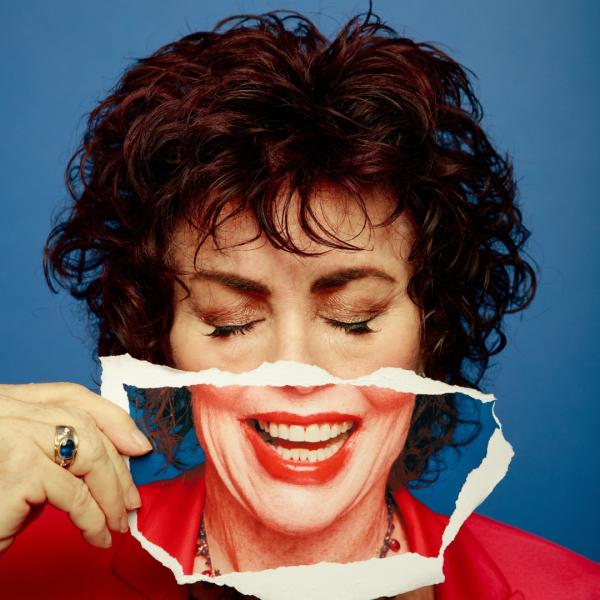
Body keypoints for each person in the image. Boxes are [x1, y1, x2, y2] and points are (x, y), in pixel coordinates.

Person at [0, 8, 597, 600]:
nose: (296, 368)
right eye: (230, 323)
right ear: (161, 345)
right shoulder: (22, 569)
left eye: (353, 319)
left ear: (430, 335)